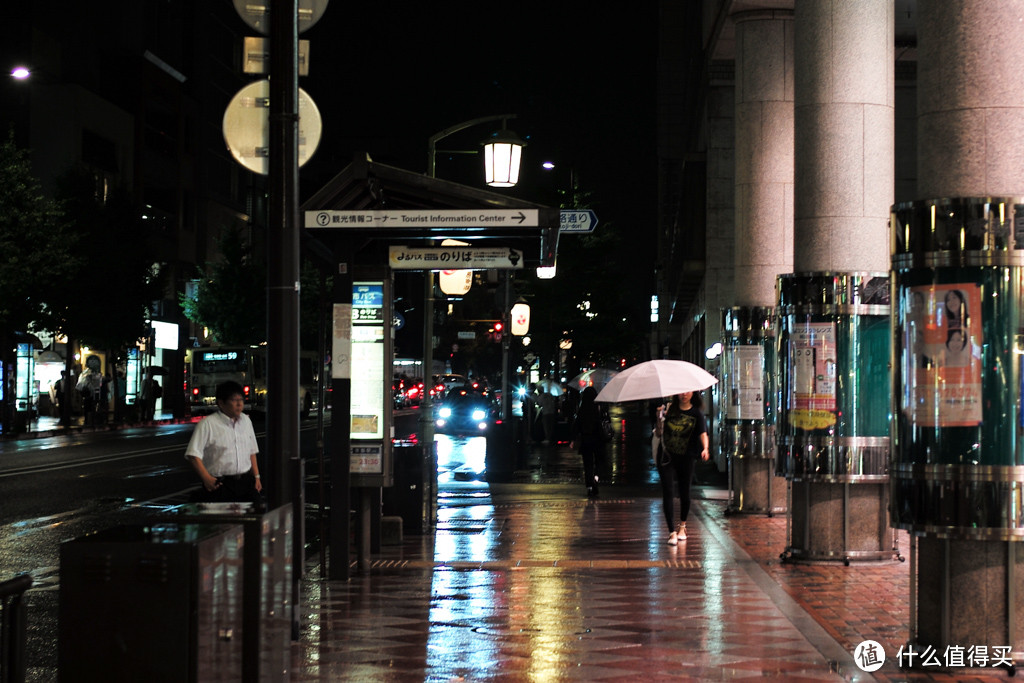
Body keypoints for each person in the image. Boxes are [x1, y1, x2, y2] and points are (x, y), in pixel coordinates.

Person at [184, 380, 263, 506]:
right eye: (234, 400)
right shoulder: (208, 424)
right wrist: (207, 479)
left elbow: (252, 451)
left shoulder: (246, 421)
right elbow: (193, 455)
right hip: (221, 485)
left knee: (254, 519)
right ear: (221, 403)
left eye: (241, 400)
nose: (239, 404)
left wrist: (257, 476)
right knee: (223, 523)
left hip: (246, 482)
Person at [654, 391, 709, 545]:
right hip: (666, 457)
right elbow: (659, 433)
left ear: (693, 393)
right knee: (668, 491)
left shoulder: (697, 413)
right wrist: (659, 416)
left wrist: (705, 448)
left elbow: (703, 433)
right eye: (681, 392)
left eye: (688, 391)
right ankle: (671, 531)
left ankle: (682, 527)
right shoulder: (669, 409)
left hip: (687, 457)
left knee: (685, 493)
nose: (684, 394)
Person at [570, 386, 607, 498]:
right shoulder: (598, 407)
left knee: (588, 464)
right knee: (600, 460)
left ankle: (589, 486)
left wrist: (573, 439)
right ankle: (596, 478)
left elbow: (577, 425)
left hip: (586, 440)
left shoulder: (582, 409)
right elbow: (605, 421)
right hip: (598, 439)